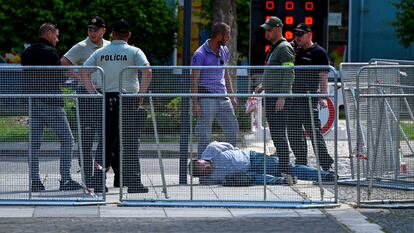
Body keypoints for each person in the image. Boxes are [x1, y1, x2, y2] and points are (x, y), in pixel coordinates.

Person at [83, 19, 152, 193]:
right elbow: (147, 71)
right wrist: (141, 95)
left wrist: (93, 93)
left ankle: (98, 182)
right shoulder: (134, 51)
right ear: (128, 35)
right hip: (128, 100)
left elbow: (84, 70)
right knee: (129, 143)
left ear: (112, 34)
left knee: (106, 142)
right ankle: (133, 182)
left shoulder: (102, 52)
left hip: (107, 99)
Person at [21, 23, 82, 192]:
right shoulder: (51, 53)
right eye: (56, 35)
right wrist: (69, 81)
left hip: (33, 102)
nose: (57, 39)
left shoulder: (26, 53)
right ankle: (65, 180)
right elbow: (57, 77)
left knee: (34, 144)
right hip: (51, 102)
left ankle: (36, 182)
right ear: (48, 34)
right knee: (67, 140)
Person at [61, 16, 110, 192]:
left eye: (96, 29)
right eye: (90, 29)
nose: (92, 32)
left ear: (103, 30)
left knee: (105, 139)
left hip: (104, 94)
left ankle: (99, 178)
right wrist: (77, 76)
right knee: (86, 139)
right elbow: (64, 63)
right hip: (86, 95)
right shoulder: (81, 46)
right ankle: (88, 178)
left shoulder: (109, 46)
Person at [287, 23, 334, 171]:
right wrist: (291, 45)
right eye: (296, 34)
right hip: (293, 97)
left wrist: (323, 96)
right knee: (294, 132)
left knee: (314, 132)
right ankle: (301, 163)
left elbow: (323, 76)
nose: (297, 37)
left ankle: (326, 165)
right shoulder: (296, 51)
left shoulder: (319, 52)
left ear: (309, 34)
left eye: (301, 34)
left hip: (308, 98)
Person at [191, 22, 239, 156]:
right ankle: (203, 171)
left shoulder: (224, 50)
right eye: (227, 35)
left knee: (233, 129)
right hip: (207, 98)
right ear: (219, 36)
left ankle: (230, 162)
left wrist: (232, 96)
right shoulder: (200, 54)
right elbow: (194, 80)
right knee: (204, 135)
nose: (229, 38)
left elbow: (226, 73)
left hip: (223, 98)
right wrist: (195, 103)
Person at [189, 141, 334, 185]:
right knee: (256, 178)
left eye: (200, 165)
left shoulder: (211, 149)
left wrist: (237, 153)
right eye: (201, 171)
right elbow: (205, 182)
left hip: (252, 158)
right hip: (245, 173)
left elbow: (229, 146)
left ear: (200, 159)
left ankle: (325, 176)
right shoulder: (210, 177)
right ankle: (281, 181)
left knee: (287, 167)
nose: (204, 168)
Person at [258, 16, 295, 176]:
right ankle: (283, 170)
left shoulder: (284, 48)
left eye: (269, 30)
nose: (266, 33)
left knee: (279, 134)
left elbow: (289, 73)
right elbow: (274, 72)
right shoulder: (275, 47)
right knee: (276, 134)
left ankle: (284, 171)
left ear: (278, 29)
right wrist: (263, 85)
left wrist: (282, 96)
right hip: (271, 95)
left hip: (278, 98)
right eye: (266, 30)